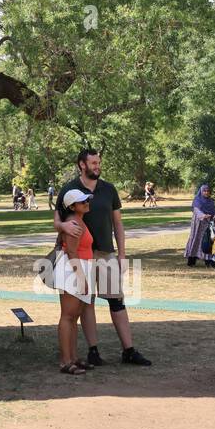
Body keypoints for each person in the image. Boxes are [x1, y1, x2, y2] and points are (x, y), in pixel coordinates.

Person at [54, 148, 152, 367]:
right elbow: (57, 221)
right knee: (86, 303)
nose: (97, 166)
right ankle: (93, 351)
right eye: (93, 163)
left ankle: (129, 350)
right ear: (82, 164)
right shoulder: (69, 189)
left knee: (116, 300)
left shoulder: (108, 189)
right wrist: (63, 226)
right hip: (81, 255)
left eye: (99, 163)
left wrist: (122, 254)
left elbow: (118, 223)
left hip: (106, 252)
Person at [55, 188, 94, 375]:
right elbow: (71, 251)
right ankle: (65, 361)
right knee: (68, 316)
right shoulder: (73, 223)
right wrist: (80, 277)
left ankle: (74, 358)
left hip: (81, 267)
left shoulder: (79, 221)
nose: (87, 203)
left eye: (87, 200)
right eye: (82, 201)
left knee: (75, 316)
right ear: (72, 206)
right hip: (72, 270)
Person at [185, 183, 215, 266]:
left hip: (208, 223)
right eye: (204, 191)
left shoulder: (210, 201)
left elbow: (214, 211)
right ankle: (191, 260)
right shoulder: (197, 200)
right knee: (196, 239)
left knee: (207, 241)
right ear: (201, 191)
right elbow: (196, 210)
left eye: (207, 191)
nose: (206, 192)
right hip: (198, 224)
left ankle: (208, 260)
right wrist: (203, 215)